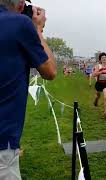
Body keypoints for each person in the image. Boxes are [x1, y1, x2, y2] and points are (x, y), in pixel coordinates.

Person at [0, 0, 56, 179]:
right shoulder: (19, 24)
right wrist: (37, 29)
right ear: (22, 5)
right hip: (3, 139)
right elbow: (50, 71)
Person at [92, 52, 106, 118]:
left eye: (105, 58)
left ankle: (105, 113)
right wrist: (100, 72)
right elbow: (94, 74)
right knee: (97, 95)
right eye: (102, 58)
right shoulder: (98, 66)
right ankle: (96, 101)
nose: (104, 59)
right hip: (99, 83)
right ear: (100, 59)